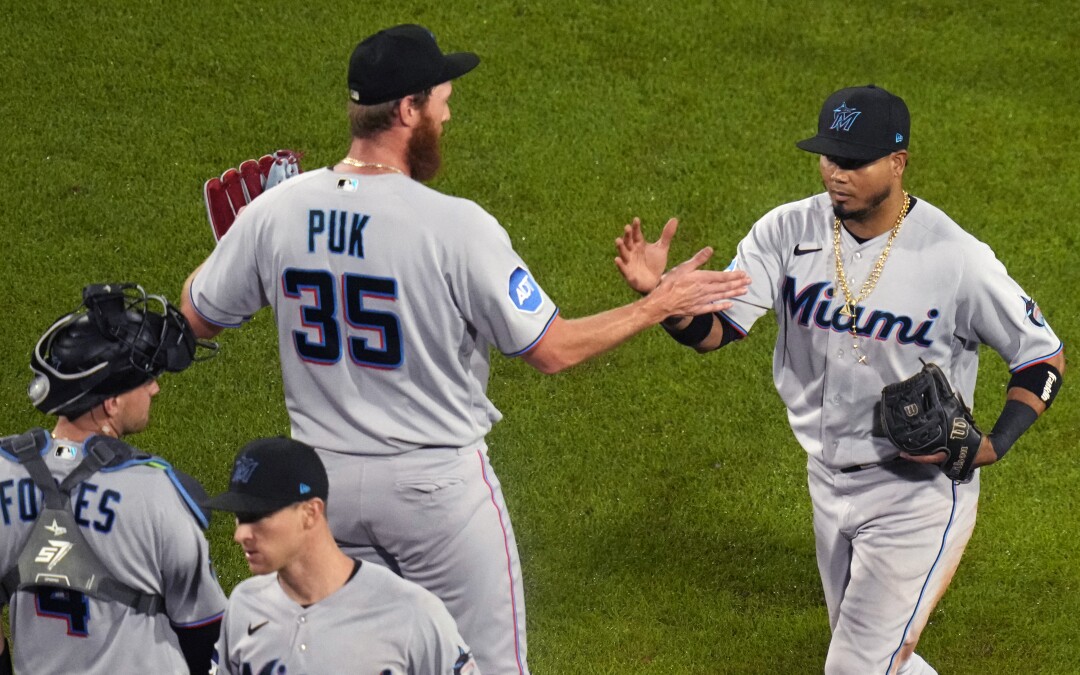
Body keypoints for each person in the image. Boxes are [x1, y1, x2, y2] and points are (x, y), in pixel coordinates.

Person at [179, 23, 749, 674]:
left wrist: (229, 243)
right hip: (435, 496)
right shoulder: (456, 227)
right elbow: (552, 349)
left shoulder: (277, 211)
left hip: (327, 492)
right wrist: (656, 306)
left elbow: (194, 317)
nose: (448, 112)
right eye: (440, 99)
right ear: (405, 111)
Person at [615, 84, 1066, 674]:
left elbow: (1042, 357)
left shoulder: (955, 258)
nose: (836, 174)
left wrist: (994, 444)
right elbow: (717, 331)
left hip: (916, 495)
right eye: (829, 157)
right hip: (825, 479)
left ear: (898, 162)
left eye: (853, 161)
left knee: (854, 667)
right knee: (880, 662)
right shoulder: (786, 231)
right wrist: (665, 303)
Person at [0, 283, 225, 675]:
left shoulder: (3, 472)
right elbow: (207, 631)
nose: (154, 387)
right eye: (145, 379)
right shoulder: (155, 494)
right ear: (112, 403)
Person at [206, 436, 479, 674]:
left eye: (256, 517)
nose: (240, 535)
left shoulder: (412, 614)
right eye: (240, 519)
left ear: (310, 513)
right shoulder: (245, 605)